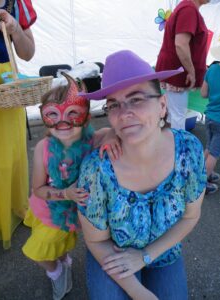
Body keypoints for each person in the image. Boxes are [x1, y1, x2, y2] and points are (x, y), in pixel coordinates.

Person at [77, 50, 207, 300]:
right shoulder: (96, 169)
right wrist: (138, 293)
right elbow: (96, 241)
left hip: (164, 250)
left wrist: (145, 255)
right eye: (114, 104)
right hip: (112, 252)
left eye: (136, 99)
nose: (123, 112)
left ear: (162, 105)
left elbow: (191, 216)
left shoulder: (188, 151)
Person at [22, 73, 121, 300]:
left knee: (49, 247)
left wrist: (112, 136)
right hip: (45, 208)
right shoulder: (43, 148)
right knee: (41, 251)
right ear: (44, 117)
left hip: (69, 217)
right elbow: (38, 189)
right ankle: (57, 270)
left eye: (73, 113)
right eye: (53, 115)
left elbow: (112, 130)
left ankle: (61, 263)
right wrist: (65, 193)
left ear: (86, 116)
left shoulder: (93, 140)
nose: (62, 123)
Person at [0, 0, 36, 249]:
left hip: (8, 90)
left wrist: (15, 30)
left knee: (7, 158)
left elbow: (28, 53)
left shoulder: (18, 3)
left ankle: (6, 212)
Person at [155, 0, 210, 130]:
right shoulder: (188, 10)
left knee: (172, 115)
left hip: (176, 71)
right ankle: (178, 149)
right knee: (177, 117)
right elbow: (180, 44)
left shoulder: (188, 8)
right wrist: (191, 71)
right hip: (178, 73)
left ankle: (169, 145)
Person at [200, 42, 220, 195]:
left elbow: (204, 94)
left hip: (210, 116)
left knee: (209, 147)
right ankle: (202, 184)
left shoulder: (211, 69)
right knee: (214, 152)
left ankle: (204, 172)